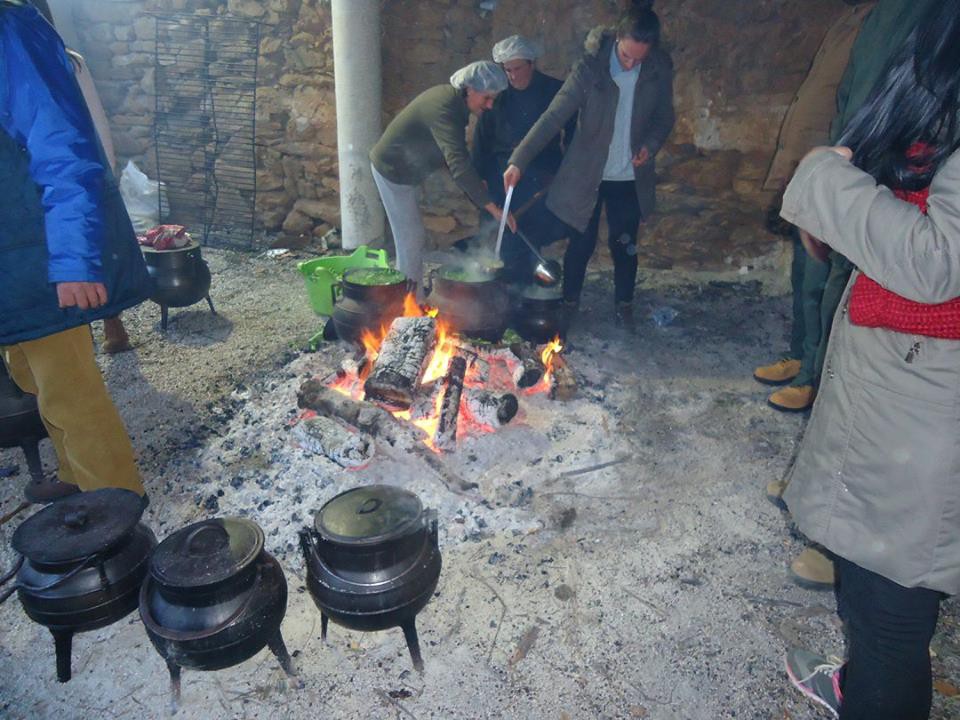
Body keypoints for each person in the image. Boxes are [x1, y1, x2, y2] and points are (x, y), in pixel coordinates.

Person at [779, 2, 960, 717]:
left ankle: (875, 692)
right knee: (877, 597)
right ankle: (864, 682)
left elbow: (935, 260)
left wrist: (827, 180)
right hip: (908, 405)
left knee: (891, 617)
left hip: (924, 426)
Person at [765, 0, 941, 592]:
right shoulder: (870, 16)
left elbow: (935, 261)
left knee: (876, 381)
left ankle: (845, 541)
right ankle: (827, 502)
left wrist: (831, 180)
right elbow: (849, 96)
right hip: (860, 177)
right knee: (832, 316)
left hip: (879, 199)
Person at [0, 0, 151, 502]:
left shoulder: (7, 33)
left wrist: (73, 260)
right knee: (32, 377)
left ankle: (117, 512)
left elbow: (60, 147)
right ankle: (74, 474)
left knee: (69, 388)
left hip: (37, 252)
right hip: (9, 262)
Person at [756, 0, 939, 413]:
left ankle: (816, 380)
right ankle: (802, 357)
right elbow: (841, 93)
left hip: (862, 166)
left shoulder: (915, 15)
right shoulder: (858, 17)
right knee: (807, 275)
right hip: (830, 155)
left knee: (831, 285)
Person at [503, 0, 674, 331]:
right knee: (580, 244)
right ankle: (569, 302)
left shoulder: (659, 68)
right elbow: (553, 117)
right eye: (626, 56)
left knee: (625, 244)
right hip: (587, 175)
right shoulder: (589, 69)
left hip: (628, 177)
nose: (630, 64)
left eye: (639, 59)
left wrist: (651, 146)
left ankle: (625, 304)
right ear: (617, 38)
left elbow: (664, 117)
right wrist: (518, 161)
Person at [28, 0, 134, 355]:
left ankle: (108, 324)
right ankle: (108, 323)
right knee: (98, 250)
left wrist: (107, 172)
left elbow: (93, 119)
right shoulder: (69, 61)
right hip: (83, 175)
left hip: (72, 178)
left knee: (94, 253)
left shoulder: (67, 63)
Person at [370, 61, 515, 289]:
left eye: (493, 99)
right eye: (486, 98)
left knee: (412, 237)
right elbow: (457, 162)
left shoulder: (455, 103)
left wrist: (476, 181)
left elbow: (452, 152)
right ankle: (408, 303)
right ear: (470, 89)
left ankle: (409, 291)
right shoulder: (444, 108)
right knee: (411, 239)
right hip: (392, 171)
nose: (489, 105)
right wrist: (493, 209)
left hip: (407, 170)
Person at [471, 34, 575, 284]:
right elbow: (481, 138)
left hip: (541, 176)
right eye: (508, 70)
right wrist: (480, 176)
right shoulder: (497, 95)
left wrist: (565, 170)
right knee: (502, 235)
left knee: (531, 234)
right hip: (501, 176)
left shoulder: (553, 91)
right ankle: (501, 289)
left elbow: (571, 131)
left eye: (518, 68)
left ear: (531, 64)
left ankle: (526, 288)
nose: (513, 76)